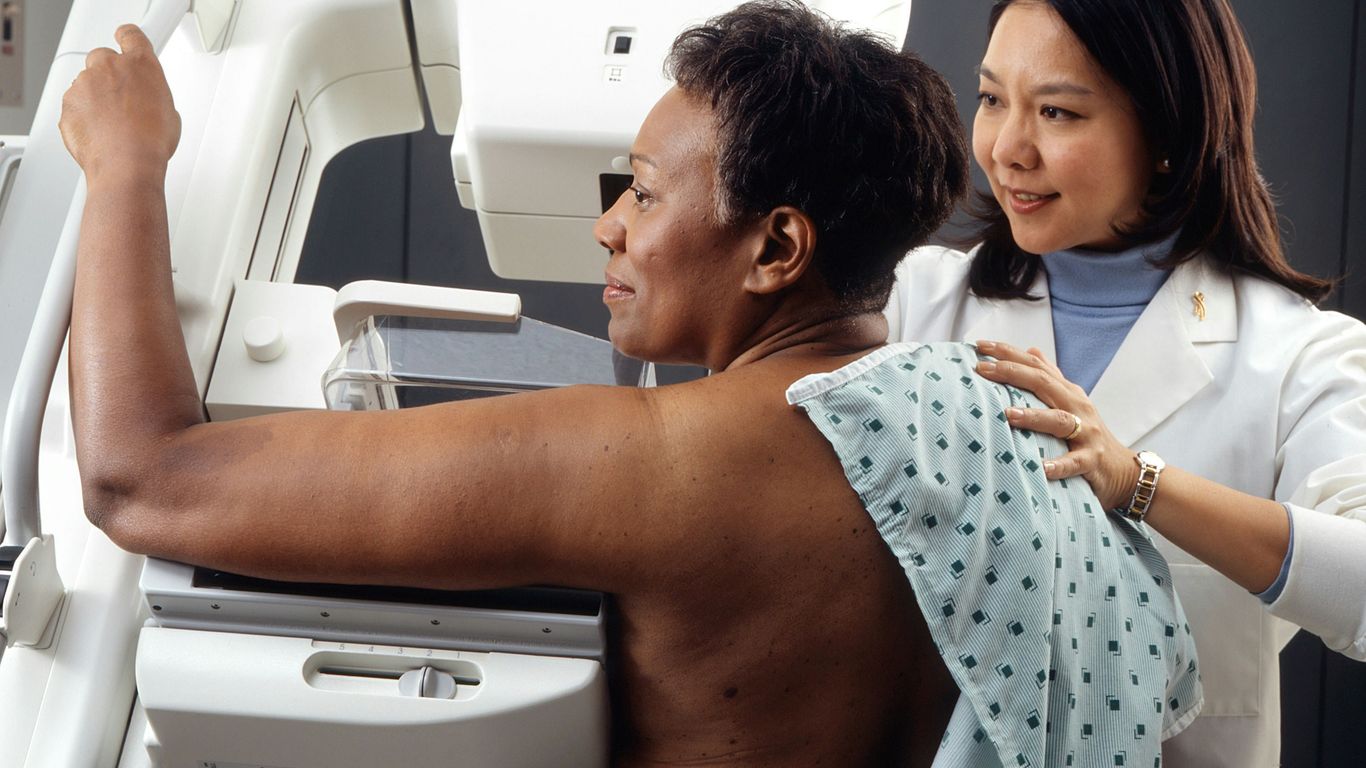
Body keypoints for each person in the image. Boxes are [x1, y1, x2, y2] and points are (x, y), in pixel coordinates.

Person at [59, 2, 1198, 765]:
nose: (608, 224)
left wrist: (126, 167)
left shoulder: (662, 461)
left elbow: (141, 479)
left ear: (775, 249)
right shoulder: (1010, 426)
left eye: (645, 193)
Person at [883, 0, 1366, 765]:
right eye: (991, 99)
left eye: (1057, 112)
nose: (1007, 147)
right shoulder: (908, 301)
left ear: (1168, 135)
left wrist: (1140, 484)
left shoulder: (1299, 354)